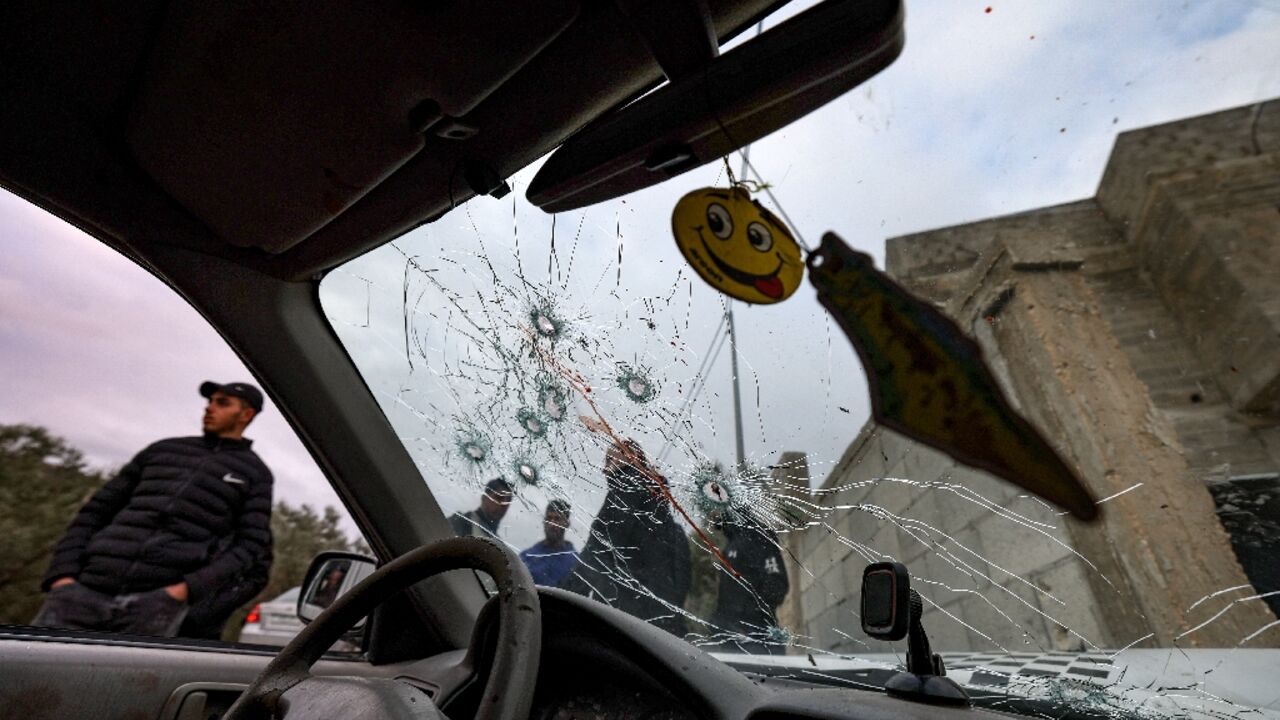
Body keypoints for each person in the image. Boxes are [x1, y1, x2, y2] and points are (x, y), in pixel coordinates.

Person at [34, 381, 274, 638]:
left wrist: (185, 590)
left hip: (155, 606)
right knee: (27, 674)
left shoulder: (255, 474)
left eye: (222, 403)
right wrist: (62, 575)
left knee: (124, 678)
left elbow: (251, 545)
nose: (210, 408)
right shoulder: (163, 450)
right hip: (80, 594)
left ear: (246, 414)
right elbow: (94, 512)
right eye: (210, 401)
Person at [561, 439, 691, 635]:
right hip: (668, 636)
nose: (605, 469)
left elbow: (593, 557)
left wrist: (556, 604)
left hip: (623, 630)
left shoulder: (622, 495)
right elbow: (682, 580)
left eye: (610, 460)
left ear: (631, 459)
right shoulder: (673, 529)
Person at [707, 509, 789, 653]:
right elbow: (728, 592)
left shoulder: (758, 537)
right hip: (733, 634)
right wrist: (719, 618)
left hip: (756, 635)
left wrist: (750, 614)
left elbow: (777, 584)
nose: (715, 516)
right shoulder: (731, 545)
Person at [519, 499, 579, 586]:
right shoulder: (526, 557)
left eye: (557, 519)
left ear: (567, 523)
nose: (552, 523)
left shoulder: (575, 562)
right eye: (549, 518)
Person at [449, 477, 513, 539]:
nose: (504, 504)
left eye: (508, 501)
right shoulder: (460, 522)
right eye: (499, 497)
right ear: (484, 497)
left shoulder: (499, 543)